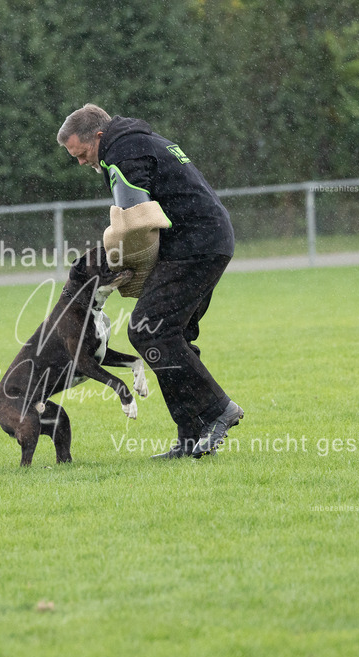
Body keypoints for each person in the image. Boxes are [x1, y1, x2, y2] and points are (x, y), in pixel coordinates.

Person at [57, 104, 244, 459]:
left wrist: (120, 264)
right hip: (208, 239)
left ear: (98, 136)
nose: (81, 162)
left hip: (196, 244)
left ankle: (218, 408)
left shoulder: (121, 152)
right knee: (175, 334)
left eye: (81, 154)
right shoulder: (137, 141)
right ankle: (191, 436)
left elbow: (135, 221)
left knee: (146, 329)